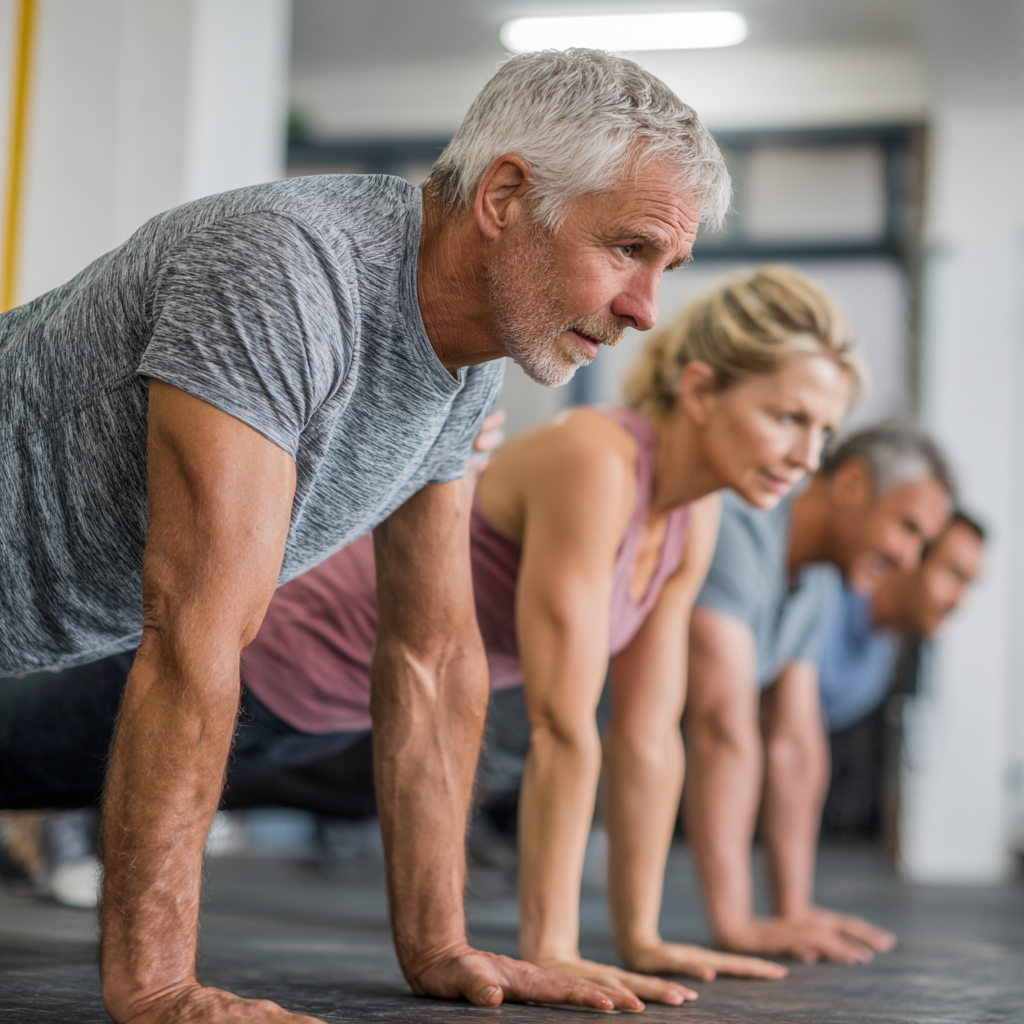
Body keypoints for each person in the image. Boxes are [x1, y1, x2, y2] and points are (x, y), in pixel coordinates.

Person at [0, 49, 730, 1023]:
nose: (646, 310)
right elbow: (198, 626)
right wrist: (160, 984)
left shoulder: (464, 366)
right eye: (627, 250)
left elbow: (429, 653)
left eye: (664, 268)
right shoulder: (284, 269)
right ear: (506, 195)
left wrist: (441, 945)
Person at [5, 266, 861, 1007]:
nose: (807, 456)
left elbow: (644, 737)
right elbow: (567, 727)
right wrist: (553, 947)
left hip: (344, 716)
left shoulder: (693, 517)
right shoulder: (597, 460)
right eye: (789, 418)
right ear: (703, 389)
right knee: (22, 760)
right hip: (263, 670)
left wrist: (642, 937)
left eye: (824, 431)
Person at [684, 421, 954, 966]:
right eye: (907, 527)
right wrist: (735, 921)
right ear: (852, 484)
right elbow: (721, 728)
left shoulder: (816, 584)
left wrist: (793, 908)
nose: (907, 559)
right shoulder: (738, 525)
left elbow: (795, 743)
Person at [818, 511, 987, 735]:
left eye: (969, 583)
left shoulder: (874, 675)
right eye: (953, 573)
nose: (958, 602)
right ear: (914, 553)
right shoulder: (826, 581)